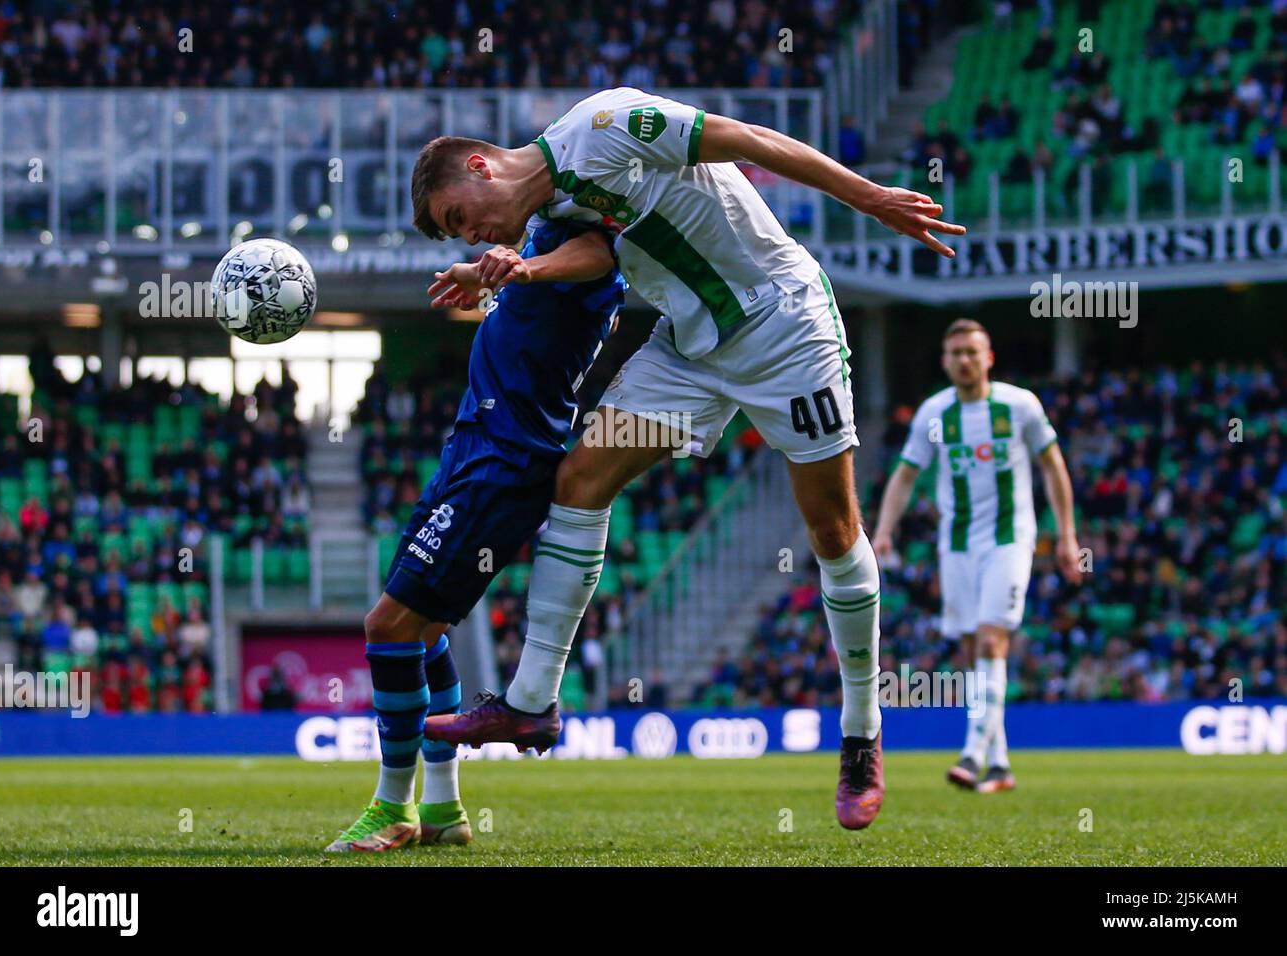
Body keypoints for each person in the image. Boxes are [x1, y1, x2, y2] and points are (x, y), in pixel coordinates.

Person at [411, 86, 964, 830]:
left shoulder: (606, 125)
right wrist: (520, 271)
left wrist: (866, 197)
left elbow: (744, 138)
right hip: (689, 349)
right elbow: (598, 252)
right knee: (579, 480)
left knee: (833, 531)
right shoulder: (548, 211)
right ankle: (531, 704)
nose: (469, 233)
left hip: (781, 325)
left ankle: (863, 733)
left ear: (479, 167)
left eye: (458, 218)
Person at [325, 220, 624, 852]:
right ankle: (440, 807)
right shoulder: (545, 239)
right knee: (419, 631)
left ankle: (392, 806)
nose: (466, 229)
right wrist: (493, 278)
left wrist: (519, 267)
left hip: (502, 467)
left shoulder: (583, 237)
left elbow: (597, 257)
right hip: (473, 451)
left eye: (456, 213)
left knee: (389, 627)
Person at [871, 319, 1082, 794]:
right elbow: (905, 476)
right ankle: (1002, 765)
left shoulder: (1019, 405)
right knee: (972, 654)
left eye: (972, 352)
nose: (964, 360)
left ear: (988, 358)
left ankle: (972, 753)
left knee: (991, 643)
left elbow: (1054, 468)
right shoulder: (933, 413)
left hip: (1010, 538)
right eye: (955, 353)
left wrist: (1066, 536)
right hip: (957, 544)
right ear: (945, 362)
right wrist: (884, 531)